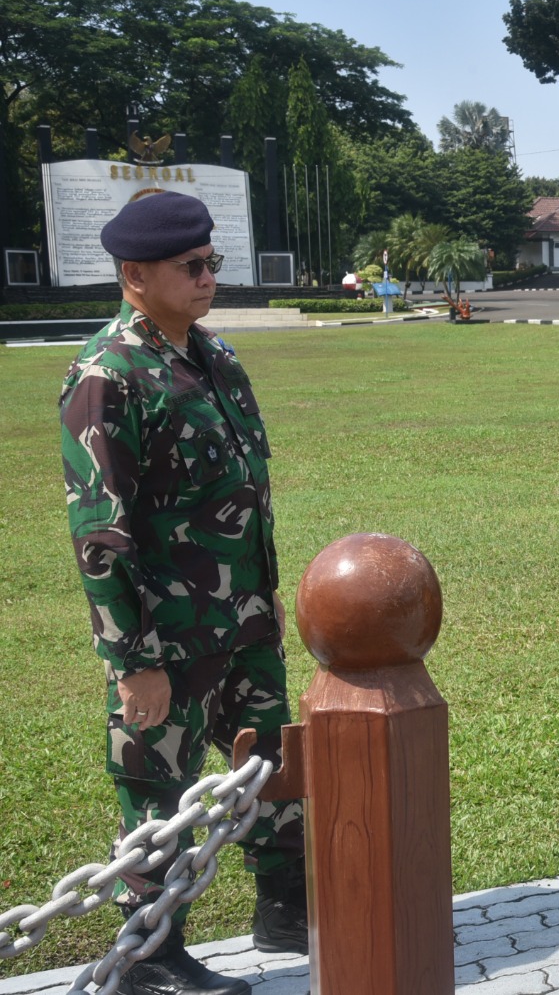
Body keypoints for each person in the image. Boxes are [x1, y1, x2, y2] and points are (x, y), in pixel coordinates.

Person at [59, 191, 307, 995]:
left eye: (212, 263)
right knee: (158, 796)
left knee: (268, 768)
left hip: (243, 621)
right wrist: (133, 660)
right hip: (166, 637)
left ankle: (286, 907)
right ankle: (149, 957)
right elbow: (101, 533)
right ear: (135, 276)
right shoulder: (107, 376)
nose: (208, 278)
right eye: (190, 267)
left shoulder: (215, 357)